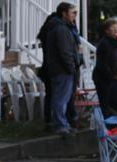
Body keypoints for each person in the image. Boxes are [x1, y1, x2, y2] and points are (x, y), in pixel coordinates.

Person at [43, 2, 79, 135]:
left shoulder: (61, 27)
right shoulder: (61, 29)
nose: (75, 16)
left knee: (62, 97)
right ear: (64, 13)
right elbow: (65, 52)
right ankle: (60, 125)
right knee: (61, 98)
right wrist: (71, 67)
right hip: (62, 70)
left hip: (60, 69)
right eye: (72, 13)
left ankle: (63, 123)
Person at [93, 17, 117, 111]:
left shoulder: (115, 42)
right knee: (106, 104)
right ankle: (107, 123)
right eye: (113, 27)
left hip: (114, 78)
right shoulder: (104, 43)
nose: (116, 29)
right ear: (107, 31)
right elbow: (102, 65)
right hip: (104, 79)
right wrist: (112, 77)